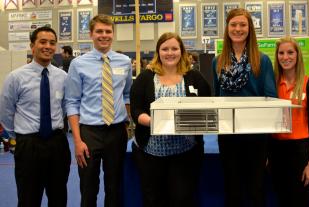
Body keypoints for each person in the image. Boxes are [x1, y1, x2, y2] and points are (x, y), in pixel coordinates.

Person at [130, 32, 211, 207]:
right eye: (165, 49)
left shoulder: (194, 77)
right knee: (153, 199)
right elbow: (136, 110)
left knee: (182, 199)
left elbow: (208, 104)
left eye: (174, 48)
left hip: (185, 152)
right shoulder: (145, 77)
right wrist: (155, 122)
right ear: (158, 52)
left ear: (181, 51)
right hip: (150, 153)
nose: (170, 53)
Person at [64, 14, 132, 207]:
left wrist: (127, 121)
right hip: (89, 133)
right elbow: (72, 102)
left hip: (116, 131)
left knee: (115, 186)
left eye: (108, 31)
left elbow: (126, 94)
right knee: (88, 186)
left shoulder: (125, 62)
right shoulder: (78, 64)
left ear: (113, 34)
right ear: (91, 34)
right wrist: (77, 141)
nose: (104, 35)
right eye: (99, 31)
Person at [212, 8, 277, 207]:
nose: (238, 29)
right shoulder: (218, 61)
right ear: (227, 28)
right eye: (233, 25)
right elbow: (217, 97)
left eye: (242, 25)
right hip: (228, 134)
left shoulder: (261, 60)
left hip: (255, 135)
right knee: (232, 188)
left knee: (255, 188)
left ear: (250, 29)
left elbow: (271, 98)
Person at [0, 26, 71, 206]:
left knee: (59, 197)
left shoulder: (63, 77)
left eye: (52, 43)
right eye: (43, 42)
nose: (48, 46)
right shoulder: (15, 78)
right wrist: (18, 138)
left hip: (57, 144)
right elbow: (6, 112)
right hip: (28, 145)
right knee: (28, 198)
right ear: (32, 46)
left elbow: (64, 108)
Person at [268, 36, 309, 207]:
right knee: (282, 198)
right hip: (276, 151)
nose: (285, 57)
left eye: (290, 52)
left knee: (299, 200)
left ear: (298, 55)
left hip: (301, 152)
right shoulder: (272, 86)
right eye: (281, 53)